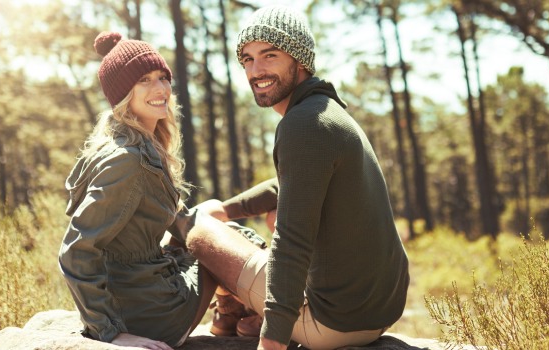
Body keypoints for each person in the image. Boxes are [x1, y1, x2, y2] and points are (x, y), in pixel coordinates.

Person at [185, 5, 410, 350]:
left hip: (333, 323)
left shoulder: (303, 125)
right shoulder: (325, 112)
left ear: (299, 59)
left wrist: (272, 342)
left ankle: (236, 315)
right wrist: (227, 210)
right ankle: (233, 314)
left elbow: (292, 242)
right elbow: (288, 183)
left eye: (269, 55)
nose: (255, 70)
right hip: (375, 312)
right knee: (223, 221)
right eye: (246, 59)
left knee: (200, 230)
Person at [58, 31, 216, 350]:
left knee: (212, 212)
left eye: (163, 77)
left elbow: (176, 217)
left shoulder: (138, 146)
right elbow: (76, 250)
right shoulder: (127, 161)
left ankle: (232, 315)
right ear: (123, 93)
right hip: (152, 315)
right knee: (231, 240)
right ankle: (290, 322)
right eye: (144, 79)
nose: (161, 89)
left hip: (144, 292)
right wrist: (112, 333)